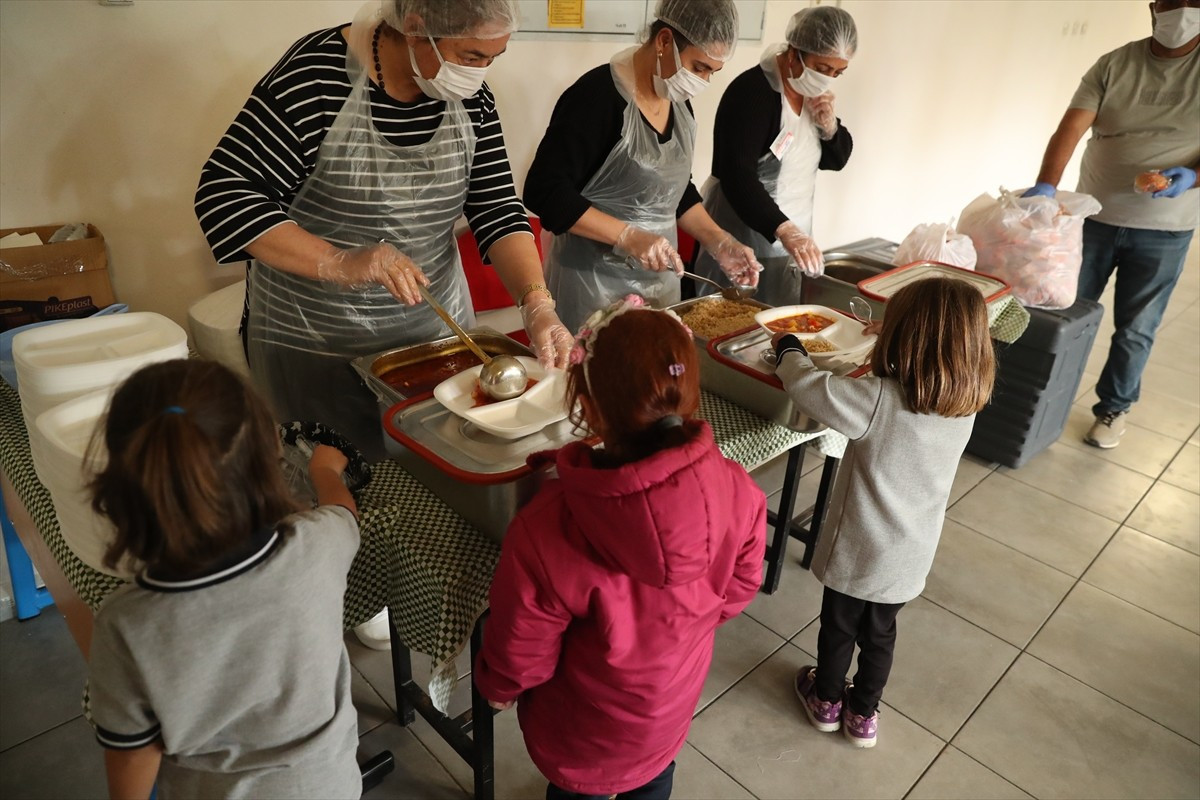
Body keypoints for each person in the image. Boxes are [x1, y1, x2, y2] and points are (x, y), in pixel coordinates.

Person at [194, 0, 573, 463]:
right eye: (473, 56)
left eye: (494, 58)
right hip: (317, 343)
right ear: (416, 27)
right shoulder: (315, 78)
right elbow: (225, 195)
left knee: (434, 474)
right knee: (337, 482)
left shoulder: (472, 98)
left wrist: (537, 302)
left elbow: (496, 209)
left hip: (432, 338)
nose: (482, 72)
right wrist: (340, 262)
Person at [474, 296, 766, 798]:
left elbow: (523, 648)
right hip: (667, 712)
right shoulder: (739, 487)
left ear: (586, 409)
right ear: (686, 395)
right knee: (652, 782)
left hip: (580, 730)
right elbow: (740, 589)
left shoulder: (546, 527)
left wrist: (499, 690)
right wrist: (685, 626)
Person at [85, 359, 362, 799]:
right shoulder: (319, 544)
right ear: (267, 458)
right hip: (328, 786)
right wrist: (324, 473)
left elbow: (134, 753)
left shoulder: (125, 623)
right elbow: (343, 512)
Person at [771, 277, 996, 748]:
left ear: (904, 338)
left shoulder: (877, 399)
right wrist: (888, 331)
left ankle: (826, 701)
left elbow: (809, 387)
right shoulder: (966, 402)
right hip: (909, 553)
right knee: (880, 636)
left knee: (837, 628)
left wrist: (789, 348)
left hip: (858, 547)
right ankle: (863, 716)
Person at [523, 0, 763, 332]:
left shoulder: (680, 106)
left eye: (712, 72)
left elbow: (674, 192)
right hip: (592, 291)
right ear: (664, 41)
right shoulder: (596, 98)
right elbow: (543, 192)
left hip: (660, 289)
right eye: (699, 67)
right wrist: (627, 236)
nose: (704, 81)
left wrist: (720, 242)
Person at [1022, 0, 1199, 449]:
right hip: (1094, 217)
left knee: (1136, 327)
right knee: (1061, 313)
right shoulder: (1117, 63)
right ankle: (1037, 399)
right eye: (1172, 2)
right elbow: (1071, 127)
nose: (1181, 12)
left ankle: (1113, 408)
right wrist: (1047, 185)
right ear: (1153, 8)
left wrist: (1195, 176)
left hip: (1165, 228)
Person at [693, 5, 856, 305]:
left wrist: (831, 129)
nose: (828, 79)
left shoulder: (812, 96)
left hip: (791, 240)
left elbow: (836, 160)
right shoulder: (753, 93)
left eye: (837, 72)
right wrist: (782, 227)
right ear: (794, 54)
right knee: (732, 322)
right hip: (744, 239)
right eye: (822, 69)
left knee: (777, 327)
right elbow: (737, 176)